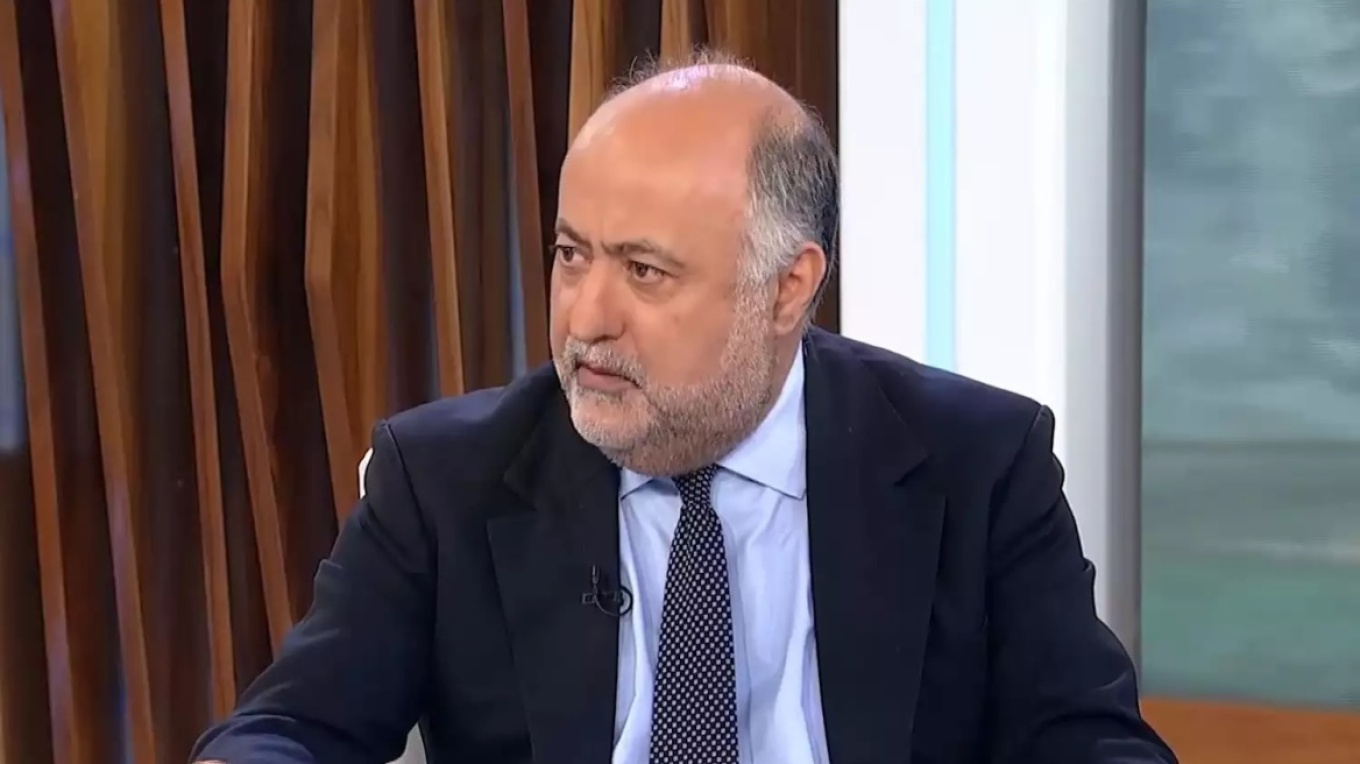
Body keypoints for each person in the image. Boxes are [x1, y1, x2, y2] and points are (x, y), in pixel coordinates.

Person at [192, 51, 1177, 764]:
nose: (585, 319)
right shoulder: (444, 478)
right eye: (571, 254)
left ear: (787, 288)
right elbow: (290, 728)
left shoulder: (980, 463)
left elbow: (1087, 739)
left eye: (645, 270)